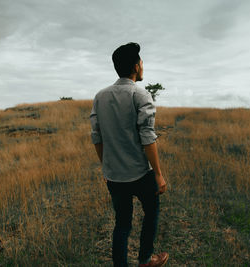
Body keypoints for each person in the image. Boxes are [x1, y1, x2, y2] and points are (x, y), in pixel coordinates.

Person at [90, 42, 169, 267]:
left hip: (114, 176)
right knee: (152, 211)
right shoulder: (140, 95)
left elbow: (97, 137)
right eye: (141, 61)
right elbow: (148, 137)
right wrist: (159, 174)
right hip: (140, 173)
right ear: (135, 67)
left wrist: (106, 167)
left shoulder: (100, 97)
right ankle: (145, 259)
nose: (143, 65)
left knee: (122, 225)